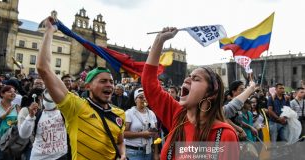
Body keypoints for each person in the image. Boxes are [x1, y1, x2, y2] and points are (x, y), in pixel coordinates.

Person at [36, 17, 126, 160]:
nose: (109, 84)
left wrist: (122, 154)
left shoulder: (120, 114)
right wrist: (49, 31)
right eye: (103, 81)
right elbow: (43, 68)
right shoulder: (75, 106)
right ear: (88, 86)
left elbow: (120, 141)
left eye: (111, 81)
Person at [141, 27, 239, 159]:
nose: (187, 79)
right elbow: (149, 84)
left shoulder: (224, 135)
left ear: (211, 93)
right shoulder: (177, 116)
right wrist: (159, 41)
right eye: (189, 76)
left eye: (196, 79)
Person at [19, 90, 68, 160]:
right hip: (40, 157)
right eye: (46, 97)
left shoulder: (64, 113)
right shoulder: (37, 114)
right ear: (41, 98)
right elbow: (23, 134)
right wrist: (30, 116)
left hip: (61, 156)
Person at [124, 88, 158, 160]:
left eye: (146, 97)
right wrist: (142, 134)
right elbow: (123, 133)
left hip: (148, 152)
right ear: (135, 100)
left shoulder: (152, 113)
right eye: (141, 97)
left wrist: (156, 153)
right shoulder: (129, 113)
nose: (144, 99)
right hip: (133, 153)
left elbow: (156, 134)